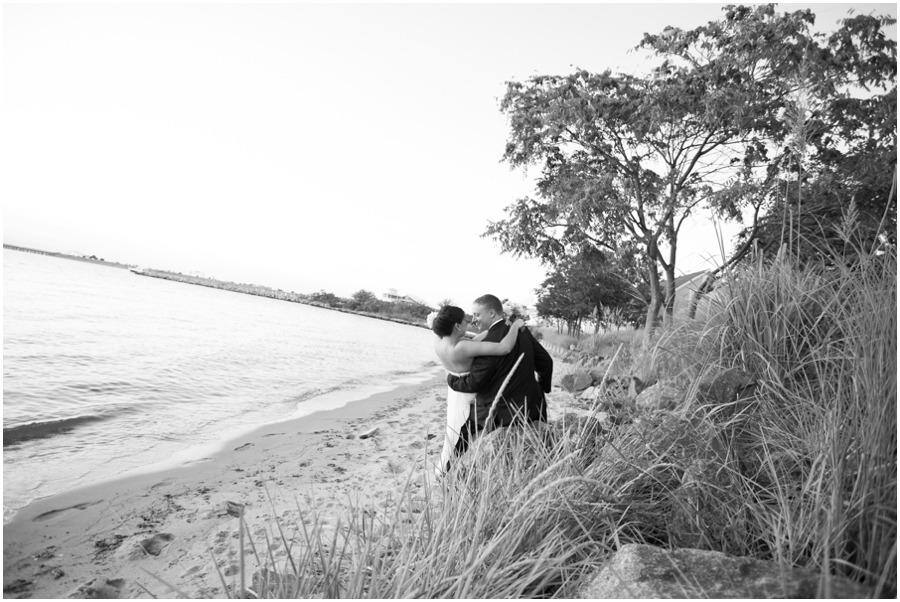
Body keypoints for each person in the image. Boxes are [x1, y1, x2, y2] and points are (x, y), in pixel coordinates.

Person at [447, 294, 553, 455]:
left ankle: (451, 473)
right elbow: (546, 361)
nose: (474, 319)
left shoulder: (488, 341)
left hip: (499, 413)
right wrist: (541, 389)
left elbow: (475, 382)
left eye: (477, 314)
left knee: (461, 441)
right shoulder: (522, 331)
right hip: (532, 408)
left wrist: (452, 379)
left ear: (491, 313)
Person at [431, 305, 526, 472]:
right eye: (465, 321)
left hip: (455, 392)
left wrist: (494, 328)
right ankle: (452, 467)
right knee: (465, 432)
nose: (469, 323)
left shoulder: (439, 342)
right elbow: (505, 347)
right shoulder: (462, 348)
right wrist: (516, 326)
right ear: (457, 326)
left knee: (452, 430)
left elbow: (474, 342)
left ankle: (446, 466)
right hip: (469, 394)